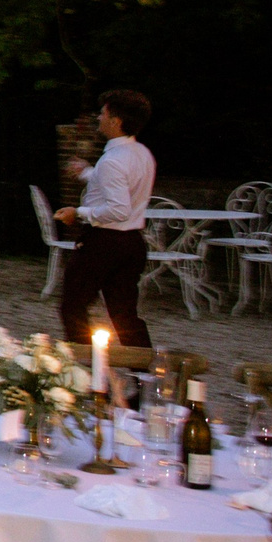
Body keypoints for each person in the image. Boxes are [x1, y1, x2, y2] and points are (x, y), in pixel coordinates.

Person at [53, 88, 157, 349]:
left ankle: (88, 374)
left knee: (72, 307)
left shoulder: (112, 160)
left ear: (116, 121)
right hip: (131, 243)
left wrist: (78, 213)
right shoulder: (142, 154)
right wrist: (88, 173)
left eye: (103, 113)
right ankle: (144, 380)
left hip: (104, 244)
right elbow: (120, 184)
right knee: (125, 315)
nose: (99, 118)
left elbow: (118, 209)